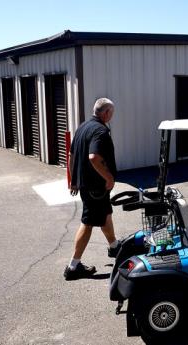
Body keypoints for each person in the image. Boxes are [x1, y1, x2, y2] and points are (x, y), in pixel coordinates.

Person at [64, 98, 120, 280]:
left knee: (105, 215)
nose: (112, 115)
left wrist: (73, 180)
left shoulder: (83, 127)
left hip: (87, 186)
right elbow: (93, 157)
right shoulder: (101, 131)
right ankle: (73, 267)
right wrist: (109, 177)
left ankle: (114, 247)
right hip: (95, 188)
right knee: (87, 223)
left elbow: (71, 155)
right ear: (106, 113)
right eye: (111, 112)